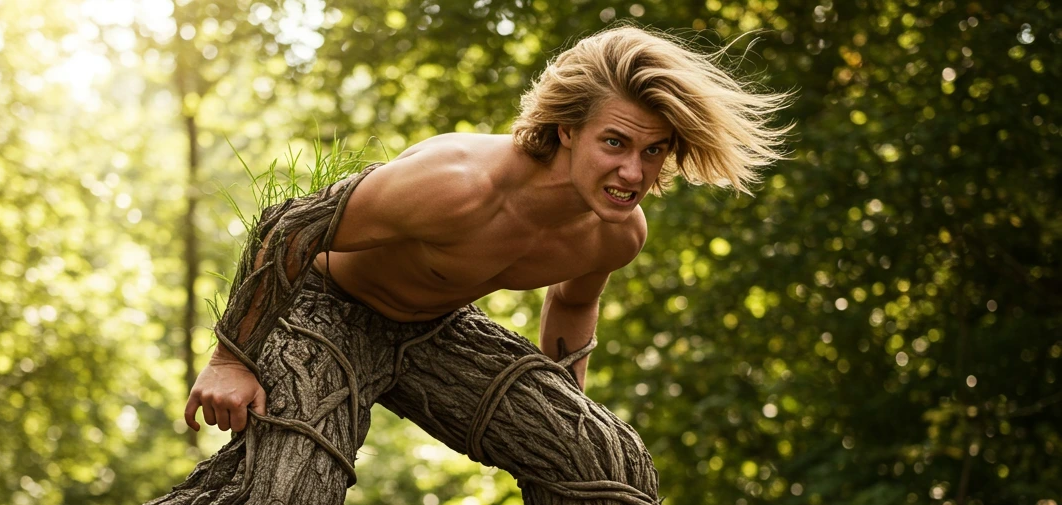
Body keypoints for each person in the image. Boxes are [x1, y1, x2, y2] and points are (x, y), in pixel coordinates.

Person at [185, 25, 787, 435]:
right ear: (568, 129)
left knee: (591, 452)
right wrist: (229, 359)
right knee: (284, 503)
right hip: (322, 307)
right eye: (615, 142)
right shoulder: (459, 184)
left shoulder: (616, 235)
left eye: (654, 151)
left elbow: (573, 305)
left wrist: (569, 404)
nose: (633, 172)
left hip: (438, 331)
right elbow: (291, 226)